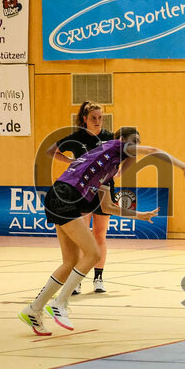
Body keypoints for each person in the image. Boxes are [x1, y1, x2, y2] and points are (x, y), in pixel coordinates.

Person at [19, 127, 185, 335]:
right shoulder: (114, 146)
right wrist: (184, 166)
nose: (136, 145)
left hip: (60, 196)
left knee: (70, 261)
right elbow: (153, 150)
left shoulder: (108, 168)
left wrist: (141, 215)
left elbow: (109, 206)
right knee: (93, 254)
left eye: (138, 141)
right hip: (66, 195)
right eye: (133, 141)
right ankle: (59, 303)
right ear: (120, 140)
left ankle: (33, 309)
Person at [46, 101, 114, 294]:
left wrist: (116, 170)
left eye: (100, 117)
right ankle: (77, 280)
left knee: (100, 234)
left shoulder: (109, 137)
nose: (98, 121)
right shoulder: (76, 137)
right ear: (85, 119)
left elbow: (122, 156)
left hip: (104, 190)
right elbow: (51, 151)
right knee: (82, 237)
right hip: (81, 192)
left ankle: (98, 278)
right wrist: (71, 161)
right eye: (94, 117)